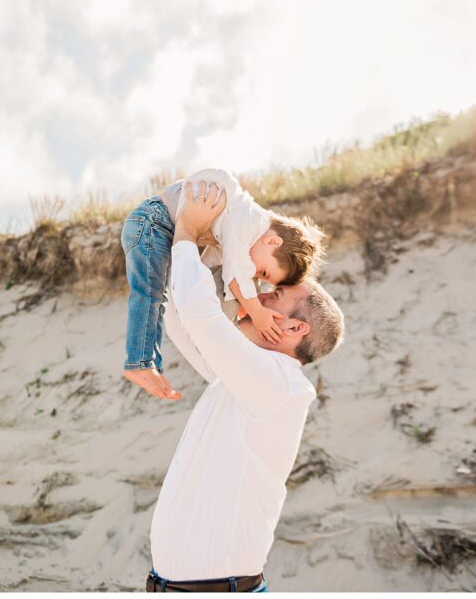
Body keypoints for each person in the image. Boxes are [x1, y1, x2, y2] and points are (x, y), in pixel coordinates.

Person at [144, 180, 345, 592]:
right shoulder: (245, 379)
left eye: (275, 294)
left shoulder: (277, 386)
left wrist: (184, 232)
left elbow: (203, 318)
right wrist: (195, 244)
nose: (257, 294)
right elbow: (184, 322)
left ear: (294, 327)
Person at [120, 168, 325, 401]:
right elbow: (234, 273)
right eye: (264, 272)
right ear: (272, 241)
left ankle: (143, 361)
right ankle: (140, 362)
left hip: (156, 225)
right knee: (148, 296)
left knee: (152, 297)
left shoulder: (239, 226)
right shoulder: (247, 223)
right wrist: (256, 311)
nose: (256, 275)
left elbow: (201, 273)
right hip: (153, 223)